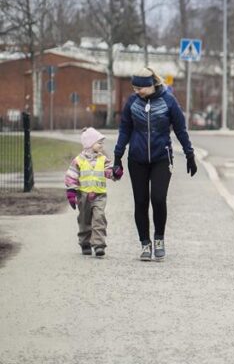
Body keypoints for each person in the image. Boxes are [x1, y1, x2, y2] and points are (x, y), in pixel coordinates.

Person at [113, 67, 197, 261]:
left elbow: (180, 129)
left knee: (158, 199)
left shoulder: (168, 101)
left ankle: (159, 238)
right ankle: (145, 243)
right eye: (134, 88)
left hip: (161, 157)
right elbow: (124, 129)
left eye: (140, 88)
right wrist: (118, 156)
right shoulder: (132, 103)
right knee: (140, 202)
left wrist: (189, 154)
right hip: (137, 159)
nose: (137, 91)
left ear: (152, 85)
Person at [64, 127, 122, 258]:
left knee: (99, 218)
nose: (101, 145)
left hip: (99, 196)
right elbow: (71, 176)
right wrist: (71, 193)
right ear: (89, 144)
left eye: (102, 142)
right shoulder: (78, 160)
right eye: (99, 142)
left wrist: (115, 173)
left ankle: (99, 245)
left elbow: (109, 172)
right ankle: (85, 242)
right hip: (83, 195)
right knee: (84, 220)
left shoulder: (103, 159)